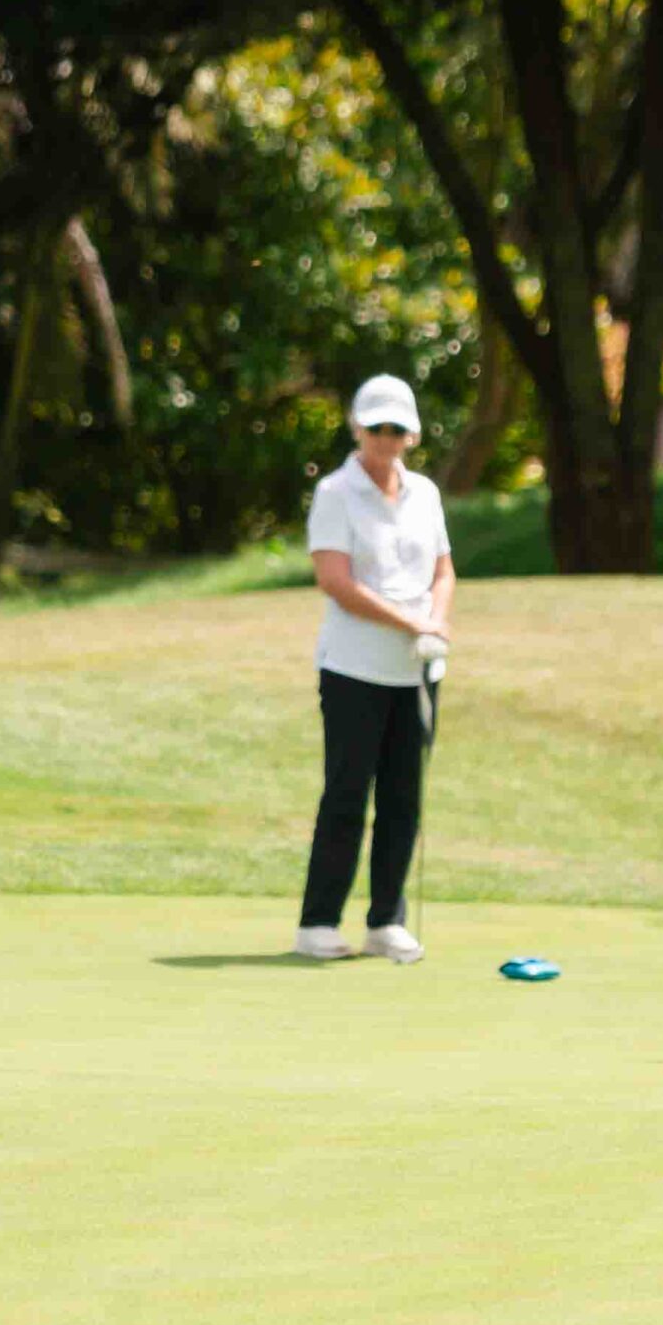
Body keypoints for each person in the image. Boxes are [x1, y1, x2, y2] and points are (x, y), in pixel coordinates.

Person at [294, 374, 455, 964]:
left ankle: (386, 921)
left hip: (417, 672)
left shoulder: (425, 494)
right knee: (346, 794)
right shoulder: (336, 492)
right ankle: (317, 923)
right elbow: (335, 581)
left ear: (411, 435)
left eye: (396, 429)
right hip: (353, 669)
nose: (386, 438)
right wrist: (410, 623)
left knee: (403, 799)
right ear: (358, 429)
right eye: (376, 427)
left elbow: (443, 570)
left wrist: (435, 622)